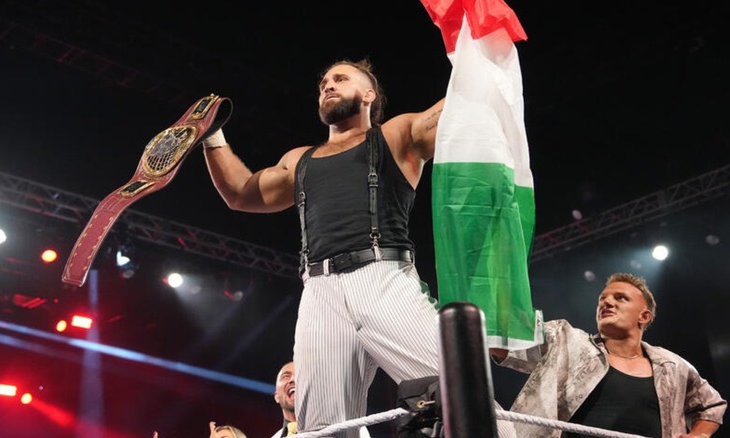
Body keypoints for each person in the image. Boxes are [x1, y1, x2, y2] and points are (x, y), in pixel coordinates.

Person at [202, 59, 516, 438]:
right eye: (324, 83)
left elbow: (463, 106)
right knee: (321, 431)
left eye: (341, 78)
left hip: (384, 279)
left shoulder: (396, 136)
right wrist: (211, 135)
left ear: (368, 94)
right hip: (319, 292)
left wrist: (480, 54)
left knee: (463, 396)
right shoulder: (300, 160)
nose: (328, 85)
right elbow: (241, 192)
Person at [491, 272, 727, 437]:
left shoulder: (672, 366)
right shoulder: (565, 339)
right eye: (602, 299)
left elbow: (711, 405)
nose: (607, 303)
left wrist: (699, 435)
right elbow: (504, 342)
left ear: (644, 316)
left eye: (620, 298)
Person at [271, 360, 371, 438]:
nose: (293, 379)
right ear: (276, 396)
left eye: (300, 375)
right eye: (286, 376)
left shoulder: (347, 425)